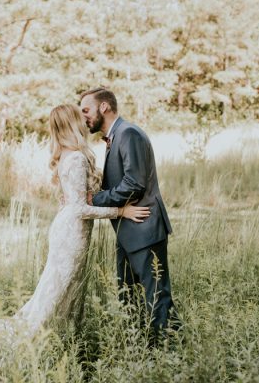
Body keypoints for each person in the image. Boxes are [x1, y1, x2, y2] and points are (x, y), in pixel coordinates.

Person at [0, 104, 150, 377]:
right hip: (72, 234)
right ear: (73, 123)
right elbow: (79, 208)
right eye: (81, 116)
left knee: (66, 295)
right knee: (51, 299)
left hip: (68, 229)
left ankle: (61, 353)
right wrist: (121, 210)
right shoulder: (76, 158)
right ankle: (14, 353)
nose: (86, 119)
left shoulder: (69, 155)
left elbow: (70, 201)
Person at [80, 87, 177, 340]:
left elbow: (134, 183)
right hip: (127, 229)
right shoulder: (116, 136)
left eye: (86, 110)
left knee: (156, 296)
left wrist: (96, 198)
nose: (83, 117)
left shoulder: (128, 133)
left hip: (144, 227)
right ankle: (140, 349)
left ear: (104, 107)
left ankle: (170, 352)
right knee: (128, 295)